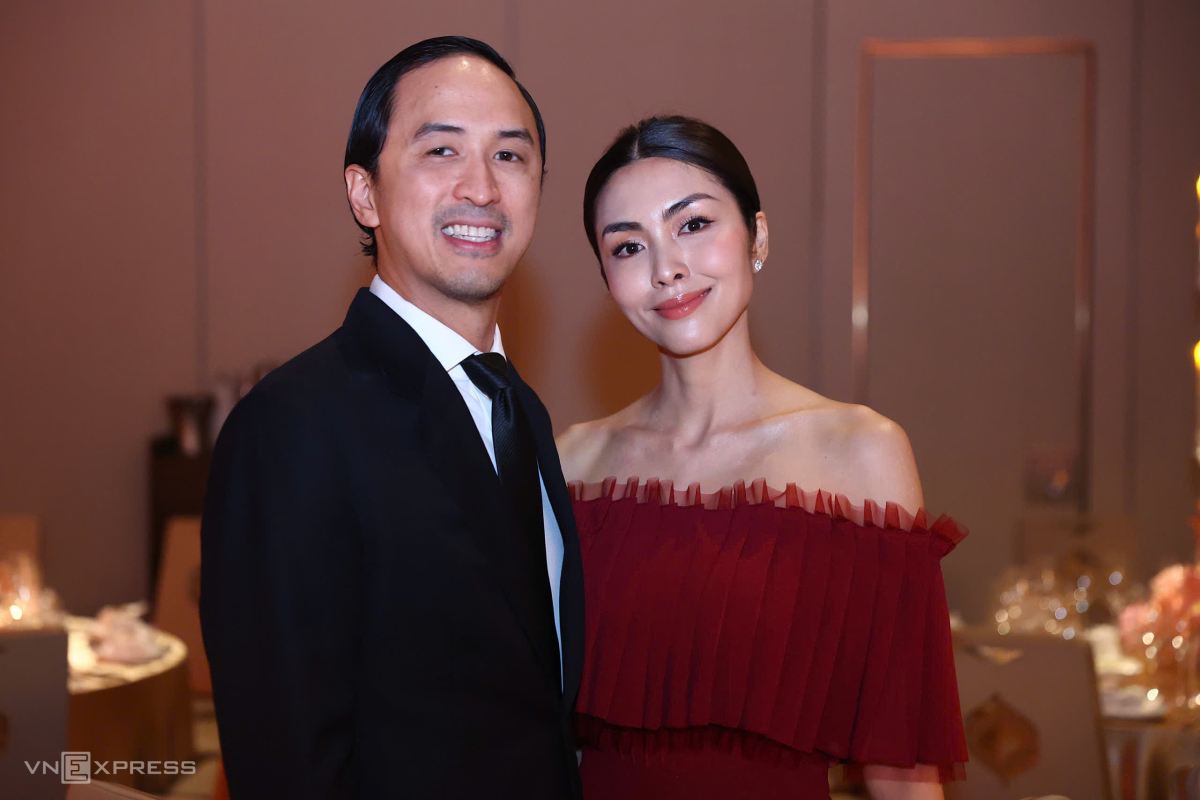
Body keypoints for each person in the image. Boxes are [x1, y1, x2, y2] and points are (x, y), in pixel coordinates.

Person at [200, 36, 584, 800]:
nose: (482, 187)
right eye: (441, 150)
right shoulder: (291, 428)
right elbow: (287, 762)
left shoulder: (521, 411)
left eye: (510, 156)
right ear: (364, 193)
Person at [556, 116, 969, 800]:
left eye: (693, 224)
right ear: (607, 278)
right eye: (628, 246)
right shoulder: (574, 464)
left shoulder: (860, 452)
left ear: (759, 237)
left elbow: (902, 769)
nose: (666, 268)